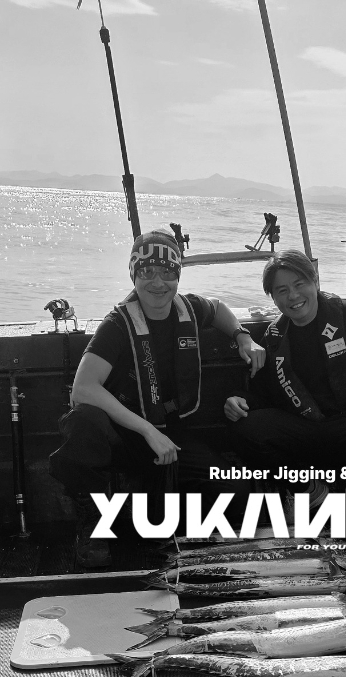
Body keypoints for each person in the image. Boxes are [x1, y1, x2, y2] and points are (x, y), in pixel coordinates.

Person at [49, 228, 265, 567]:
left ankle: (163, 515)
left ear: (177, 276)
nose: (158, 282)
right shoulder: (117, 324)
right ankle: (92, 523)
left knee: (236, 494)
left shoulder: (189, 308)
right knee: (83, 420)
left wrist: (243, 337)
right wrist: (147, 430)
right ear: (133, 275)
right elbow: (83, 388)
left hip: (172, 437)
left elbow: (217, 308)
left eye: (167, 272)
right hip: (125, 438)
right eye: (147, 272)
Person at [224, 249, 346, 522]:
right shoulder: (274, 336)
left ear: (315, 281)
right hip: (305, 427)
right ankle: (310, 491)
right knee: (244, 428)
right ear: (273, 297)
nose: (293, 296)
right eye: (282, 290)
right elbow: (263, 395)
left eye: (299, 284)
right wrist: (238, 400)